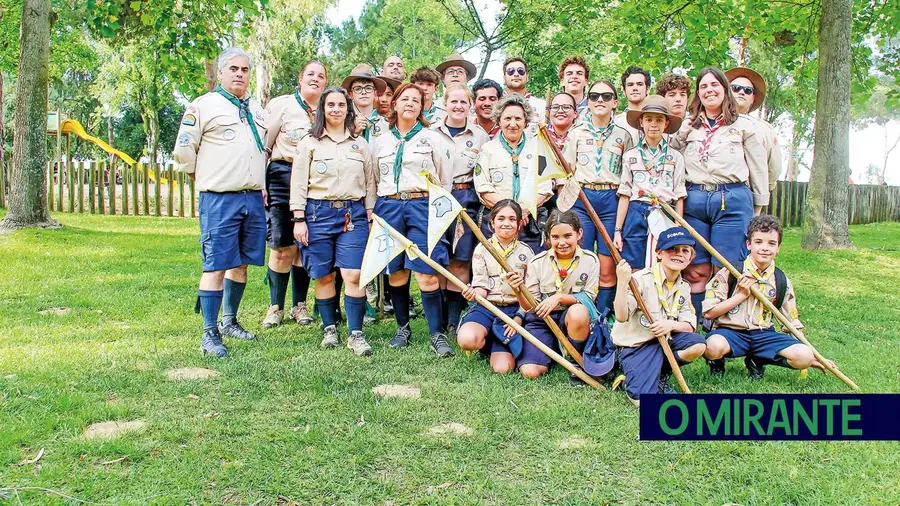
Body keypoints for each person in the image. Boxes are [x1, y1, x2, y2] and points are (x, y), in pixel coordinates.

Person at [174, 47, 267, 357]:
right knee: (216, 264)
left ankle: (230, 321)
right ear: (221, 73)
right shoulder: (204, 106)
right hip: (220, 198)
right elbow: (185, 151)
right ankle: (209, 333)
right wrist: (200, 178)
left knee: (241, 262)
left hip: (251, 198)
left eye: (245, 70)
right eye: (234, 69)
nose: (240, 74)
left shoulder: (255, 111)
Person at [669, 66, 769, 328]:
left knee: (725, 267)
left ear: (724, 90)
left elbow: (758, 167)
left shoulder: (743, 125)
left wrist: (757, 209)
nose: (709, 90)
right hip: (695, 200)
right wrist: (683, 129)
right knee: (696, 266)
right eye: (703, 86)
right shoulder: (690, 124)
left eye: (714, 85)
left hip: (732, 199)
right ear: (698, 93)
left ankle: (723, 323)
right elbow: (669, 153)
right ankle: (694, 319)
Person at [290, 87, 377, 356]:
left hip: (353, 215)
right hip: (317, 214)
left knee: (353, 274)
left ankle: (355, 333)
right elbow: (298, 183)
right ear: (323, 109)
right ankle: (330, 328)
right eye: (331, 105)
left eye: (341, 105)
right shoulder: (309, 143)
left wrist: (371, 213)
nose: (336, 109)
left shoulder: (359, 144)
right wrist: (299, 218)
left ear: (348, 109)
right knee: (324, 274)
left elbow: (371, 181)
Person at [370, 83, 453, 356]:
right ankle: (402, 327)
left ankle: (436, 334)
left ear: (422, 107)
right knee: (396, 271)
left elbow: (445, 178)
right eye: (404, 99)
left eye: (416, 100)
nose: (410, 104)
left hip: (421, 205)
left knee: (426, 273)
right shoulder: (380, 141)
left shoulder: (432, 139)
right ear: (394, 104)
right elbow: (373, 180)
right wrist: (373, 212)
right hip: (389, 207)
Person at [702, 215, 829, 378]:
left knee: (804, 356)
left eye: (772, 243)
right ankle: (717, 363)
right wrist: (740, 296)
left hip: (764, 335)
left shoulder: (781, 280)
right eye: (759, 242)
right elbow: (709, 313)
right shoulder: (730, 273)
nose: (765, 248)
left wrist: (815, 356)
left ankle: (758, 359)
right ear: (748, 244)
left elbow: (792, 324)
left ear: (778, 248)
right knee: (712, 346)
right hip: (731, 333)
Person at [261, 60, 326, 329]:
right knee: (282, 245)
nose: (315, 79)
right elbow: (264, 144)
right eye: (310, 74)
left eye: (321, 76)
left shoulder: (327, 107)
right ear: (300, 78)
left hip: (314, 181)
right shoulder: (283, 105)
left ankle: (299, 305)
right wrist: (261, 182)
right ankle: (275, 306)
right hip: (282, 175)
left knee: (304, 244)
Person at [612, 227, 706, 405]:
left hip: (664, 340)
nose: (679, 254)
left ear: (690, 258)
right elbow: (621, 316)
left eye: (685, 250)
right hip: (637, 344)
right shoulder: (640, 279)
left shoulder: (684, 287)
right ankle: (628, 375)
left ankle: (660, 374)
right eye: (672, 249)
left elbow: (689, 325)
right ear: (659, 253)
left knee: (698, 345)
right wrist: (622, 283)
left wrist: (670, 325)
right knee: (641, 401)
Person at [563, 80, 634, 314]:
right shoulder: (576, 134)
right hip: (582, 198)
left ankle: (603, 316)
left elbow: (629, 173)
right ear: (588, 102)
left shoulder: (624, 136)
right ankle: (580, 311)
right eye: (594, 96)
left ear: (615, 102)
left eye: (606, 96)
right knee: (580, 257)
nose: (600, 100)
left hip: (611, 199)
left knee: (607, 262)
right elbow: (566, 171)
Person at [432, 84, 490, 336]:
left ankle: (454, 319)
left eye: (463, 102)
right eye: (453, 101)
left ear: (470, 106)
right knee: (439, 260)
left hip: (467, 197)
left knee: (460, 258)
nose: (458, 106)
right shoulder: (430, 133)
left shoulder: (480, 136)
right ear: (444, 103)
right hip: (436, 198)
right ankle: (440, 316)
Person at [457, 200, 535, 374]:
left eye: (512, 219)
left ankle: (496, 341)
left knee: (503, 369)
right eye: (501, 218)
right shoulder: (482, 249)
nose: (506, 223)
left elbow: (531, 296)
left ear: (519, 223)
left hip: (514, 310)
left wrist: (519, 317)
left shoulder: (527, 253)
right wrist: (472, 293)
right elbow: (481, 288)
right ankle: (486, 336)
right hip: (487, 307)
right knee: (467, 339)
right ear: (492, 223)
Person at [520, 210, 600, 379]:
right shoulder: (537, 262)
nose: (562, 242)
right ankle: (553, 349)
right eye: (555, 237)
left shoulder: (590, 260)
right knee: (530, 372)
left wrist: (559, 297)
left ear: (579, 234)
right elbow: (530, 307)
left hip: (572, 319)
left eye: (567, 236)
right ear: (548, 238)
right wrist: (517, 290)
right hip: (543, 320)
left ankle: (575, 359)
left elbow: (590, 296)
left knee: (578, 311)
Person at [474, 94, 553, 253]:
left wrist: (524, 209)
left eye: (518, 119)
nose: (512, 124)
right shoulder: (487, 150)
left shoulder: (540, 149)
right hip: (496, 222)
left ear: (525, 122)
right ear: (499, 120)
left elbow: (544, 188)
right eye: (507, 118)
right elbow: (483, 188)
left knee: (531, 269)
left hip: (530, 222)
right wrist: (511, 212)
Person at [615, 96, 686, 270]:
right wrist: (618, 230)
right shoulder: (630, 155)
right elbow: (624, 193)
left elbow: (679, 195)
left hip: (666, 211)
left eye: (659, 120)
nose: (653, 124)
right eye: (648, 119)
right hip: (637, 211)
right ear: (641, 122)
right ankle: (635, 297)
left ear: (666, 124)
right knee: (633, 262)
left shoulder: (676, 157)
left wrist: (678, 227)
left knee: (663, 262)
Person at [726, 67, 783, 192]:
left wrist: (761, 192)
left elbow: (774, 168)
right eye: (735, 88)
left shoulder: (765, 130)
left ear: (753, 98)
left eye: (747, 90)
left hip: (749, 197)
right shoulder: (711, 125)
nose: (741, 92)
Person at [343, 64, 388, 142]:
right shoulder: (343, 122)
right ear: (350, 94)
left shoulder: (386, 124)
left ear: (375, 93)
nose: (363, 92)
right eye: (358, 89)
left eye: (368, 88)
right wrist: (353, 133)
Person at [502, 57, 546, 135]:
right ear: (504, 77)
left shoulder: (542, 106)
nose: (516, 74)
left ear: (527, 77)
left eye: (521, 71)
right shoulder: (495, 104)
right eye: (511, 71)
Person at [615, 65, 651, 144]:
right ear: (624, 91)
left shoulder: (658, 120)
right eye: (630, 85)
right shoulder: (615, 122)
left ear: (648, 89)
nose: (635, 88)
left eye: (639, 84)